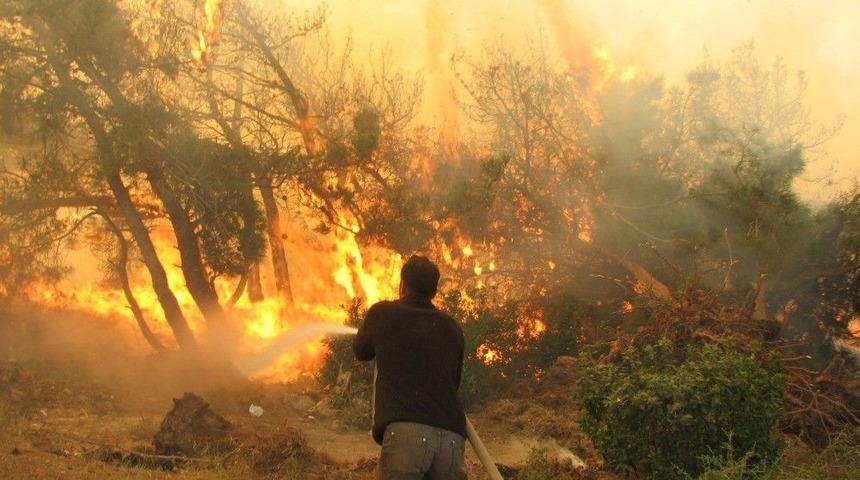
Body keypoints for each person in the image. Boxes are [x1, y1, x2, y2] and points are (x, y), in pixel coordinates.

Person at [353, 255, 467, 480]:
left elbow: (362, 351)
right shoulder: (453, 328)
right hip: (452, 440)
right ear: (434, 292)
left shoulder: (382, 313)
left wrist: (367, 326)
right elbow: (453, 383)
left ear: (402, 285)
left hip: (407, 437)